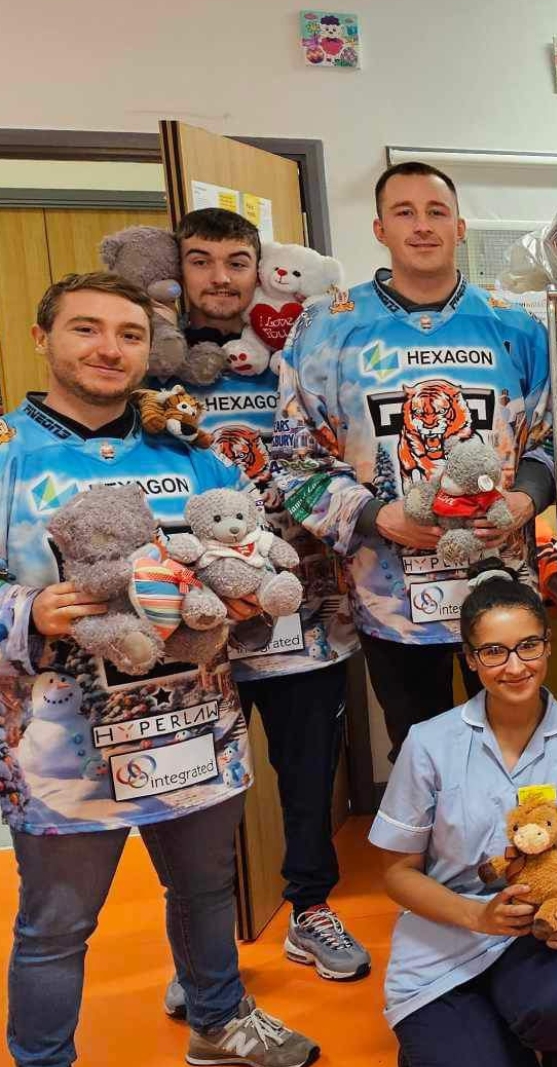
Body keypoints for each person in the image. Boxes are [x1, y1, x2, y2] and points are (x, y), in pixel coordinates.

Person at [0, 273, 318, 1067]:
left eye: (130, 334)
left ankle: (218, 1022)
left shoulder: (195, 457)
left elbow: (250, 547)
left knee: (208, 889)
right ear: (43, 339)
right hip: (64, 742)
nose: (109, 348)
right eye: (86, 329)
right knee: (56, 924)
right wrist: (24, 612)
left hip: (192, 720)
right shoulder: (7, 455)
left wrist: (248, 603)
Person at [157, 208, 370, 1000]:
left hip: (301, 617)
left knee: (308, 778)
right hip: (192, 628)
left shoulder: (300, 360)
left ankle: (310, 908)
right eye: (201, 261)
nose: (219, 278)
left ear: (262, 268)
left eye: (236, 261)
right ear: (176, 272)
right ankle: (201, 954)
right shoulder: (152, 370)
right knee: (191, 790)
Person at [273, 161, 554, 756]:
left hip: (502, 580)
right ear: (380, 228)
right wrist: (380, 517)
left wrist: (525, 498)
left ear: (460, 227)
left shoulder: (517, 324)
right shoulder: (326, 327)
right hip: (392, 596)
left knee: (523, 744)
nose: (421, 226)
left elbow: (552, 440)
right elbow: (293, 464)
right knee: (423, 755)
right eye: (404, 212)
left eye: (436, 212)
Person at [370, 560, 557, 1067]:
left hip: (538, 931)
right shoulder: (430, 743)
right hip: (446, 932)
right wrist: (477, 916)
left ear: (547, 645)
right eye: (494, 651)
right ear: (471, 659)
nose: (515, 665)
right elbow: (396, 874)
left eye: (529, 645)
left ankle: (547, 1035)